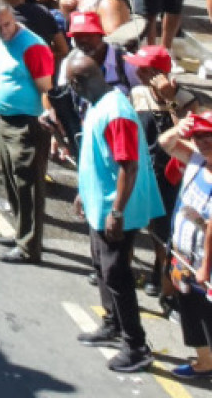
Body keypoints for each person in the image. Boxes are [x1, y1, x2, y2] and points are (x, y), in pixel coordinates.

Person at [69, 49, 165, 373]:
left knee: (116, 273)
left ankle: (136, 345)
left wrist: (117, 212)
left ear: (79, 81)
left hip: (117, 208)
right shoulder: (99, 104)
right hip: (101, 203)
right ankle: (112, 322)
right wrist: (85, 193)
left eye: (71, 84)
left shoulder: (116, 113)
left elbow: (129, 165)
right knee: (100, 264)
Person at [0, 0, 57, 263]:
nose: (4, 31)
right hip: (5, 119)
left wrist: (53, 123)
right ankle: (21, 232)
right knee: (12, 180)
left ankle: (29, 247)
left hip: (28, 123)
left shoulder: (32, 46)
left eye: (7, 25)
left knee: (29, 185)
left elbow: (47, 90)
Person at [159, 111, 212, 380]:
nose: (202, 142)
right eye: (198, 136)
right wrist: (180, 127)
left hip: (204, 264)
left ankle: (206, 362)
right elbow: (166, 143)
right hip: (184, 255)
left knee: (205, 316)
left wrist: (204, 268)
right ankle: (205, 361)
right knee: (191, 311)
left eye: (209, 136)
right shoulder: (197, 160)